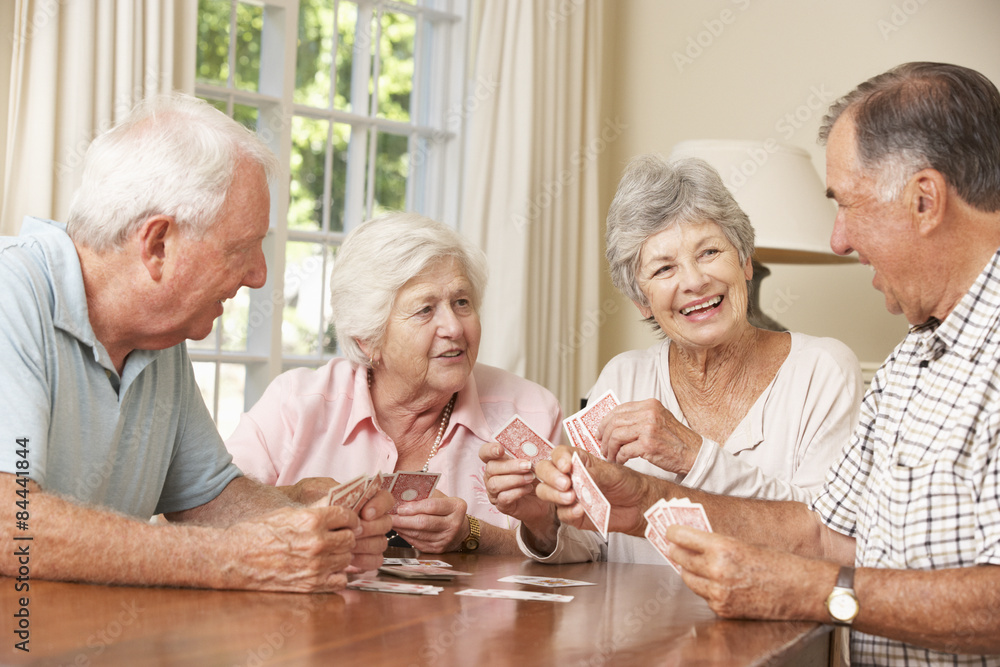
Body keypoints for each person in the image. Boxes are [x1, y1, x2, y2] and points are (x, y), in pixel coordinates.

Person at [534, 62, 1000, 665]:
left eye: (848, 205)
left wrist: (809, 591)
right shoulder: (911, 361)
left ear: (924, 200)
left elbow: (820, 568)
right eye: (664, 267)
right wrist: (644, 501)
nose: (838, 239)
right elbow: (822, 533)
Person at [0, 94, 391, 593]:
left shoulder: (158, 336)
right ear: (157, 244)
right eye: (241, 249)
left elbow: (206, 500)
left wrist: (305, 514)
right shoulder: (10, 292)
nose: (258, 275)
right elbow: (12, 526)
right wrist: (234, 558)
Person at [481, 155, 862, 565]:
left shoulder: (822, 370)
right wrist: (542, 520)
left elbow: (827, 538)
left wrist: (694, 454)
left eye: (710, 251)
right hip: (638, 627)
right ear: (641, 301)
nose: (695, 281)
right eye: (664, 268)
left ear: (746, 262)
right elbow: (593, 544)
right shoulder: (623, 377)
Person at [225, 212, 563, 554]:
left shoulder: (531, 412)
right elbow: (203, 514)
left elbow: (590, 556)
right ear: (367, 340)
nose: (455, 328)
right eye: (425, 310)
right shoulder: (295, 406)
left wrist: (474, 534)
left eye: (461, 302)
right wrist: (295, 500)